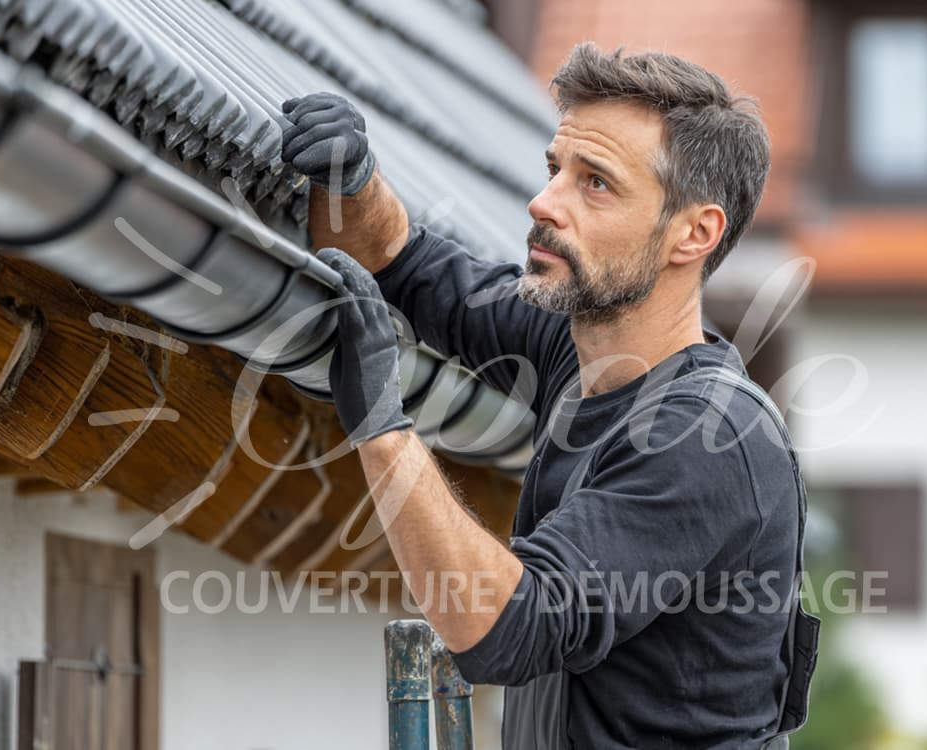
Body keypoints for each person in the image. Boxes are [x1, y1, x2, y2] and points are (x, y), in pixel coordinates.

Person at [279, 43, 816, 749]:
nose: (543, 202)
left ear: (695, 233)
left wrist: (383, 429)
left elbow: (505, 628)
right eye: (554, 170)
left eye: (595, 184)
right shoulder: (580, 344)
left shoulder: (709, 438)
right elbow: (398, 262)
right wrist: (354, 178)